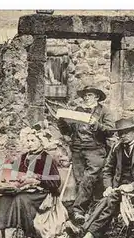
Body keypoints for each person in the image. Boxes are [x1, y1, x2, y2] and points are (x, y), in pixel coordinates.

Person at [67, 117, 134, 238]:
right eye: (120, 133)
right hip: (120, 191)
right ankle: (89, 233)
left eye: (126, 132)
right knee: (108, 198)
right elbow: (107, 170)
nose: (123, 136)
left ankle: (86, 232)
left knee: (112, 198)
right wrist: (108, 187)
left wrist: (132, 186)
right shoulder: (117, 148)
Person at [49, 86, 115, 225]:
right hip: (78, 150)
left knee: (88, 178)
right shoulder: (78, 111)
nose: (86, 98)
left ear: (97, 97)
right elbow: (68, 131)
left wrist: (96, 124)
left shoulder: (104, 112)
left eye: (89, 95)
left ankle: (78, 210)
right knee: (80, 181)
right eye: (84, 95)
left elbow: (111, 131)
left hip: (95, 150)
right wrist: (60, 121)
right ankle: (86, 215)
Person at [0, 127, 61, 238]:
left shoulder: (46, 158)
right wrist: (9, 178)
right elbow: (14, 172)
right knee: (4, 196)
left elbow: (55, 182)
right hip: (24, 189)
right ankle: (2, 231)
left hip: (42, 192)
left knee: (21, 199)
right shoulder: (24, 157)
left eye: (33, 141)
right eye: (28, 141)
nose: (29, 144)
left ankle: (21, 232)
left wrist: (36, 178)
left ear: (40, 141)